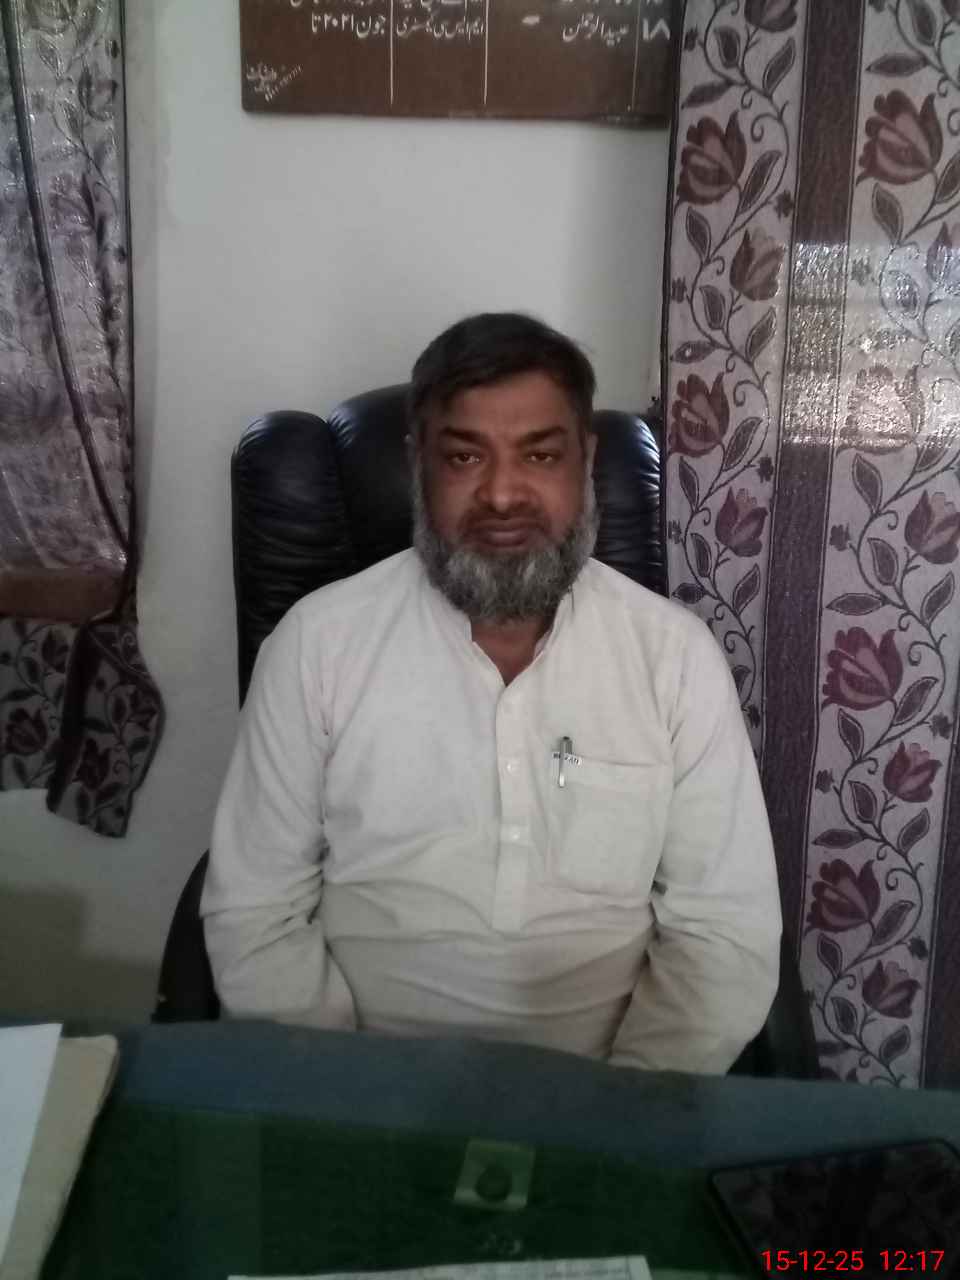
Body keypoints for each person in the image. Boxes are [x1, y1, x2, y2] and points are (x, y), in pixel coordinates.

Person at [201, 312, 781, 1074]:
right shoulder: (316, 646)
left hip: (616, 1094)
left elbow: (723, 933)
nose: (503, 494)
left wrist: (629, 1109)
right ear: (418, 465)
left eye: (540, 454)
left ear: (586, 462)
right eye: (464, 457)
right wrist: (349, 1095)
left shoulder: (674, 658)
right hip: (356, 1084)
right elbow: (256, 913)